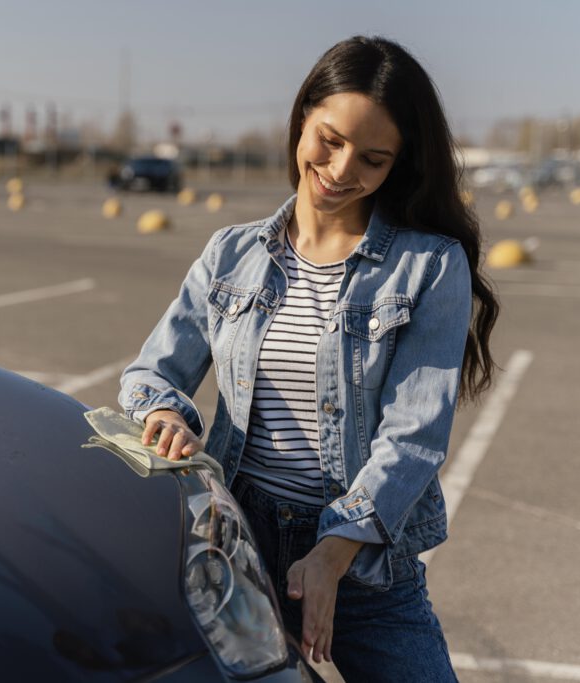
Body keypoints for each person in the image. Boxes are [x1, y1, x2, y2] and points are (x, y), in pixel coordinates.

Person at [119, 35, 499, 682]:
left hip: (363, 565)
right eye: (329, 139)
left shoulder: (430, 267)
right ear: (302, 119)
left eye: (373, 159)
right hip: (237, 548)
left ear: (398, 166)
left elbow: (413, 437)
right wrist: (166, 414)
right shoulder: (230, 254)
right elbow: (150, 373)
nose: (342, 168)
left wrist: (333, 551)